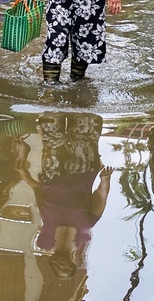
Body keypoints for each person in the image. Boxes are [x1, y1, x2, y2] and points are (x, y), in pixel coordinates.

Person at [12, 112, 113, 286]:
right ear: (73, 264)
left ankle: (55, 92)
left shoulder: (45, 239)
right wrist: (105, 180)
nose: (62, 264)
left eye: (59, 268)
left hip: (52, 171)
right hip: (84, 167)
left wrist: (23, 173)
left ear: (52, 263)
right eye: (67, 268)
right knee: (85, 116)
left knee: (50, 118)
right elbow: (101, 196)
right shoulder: (85, 228)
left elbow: (39, 191)